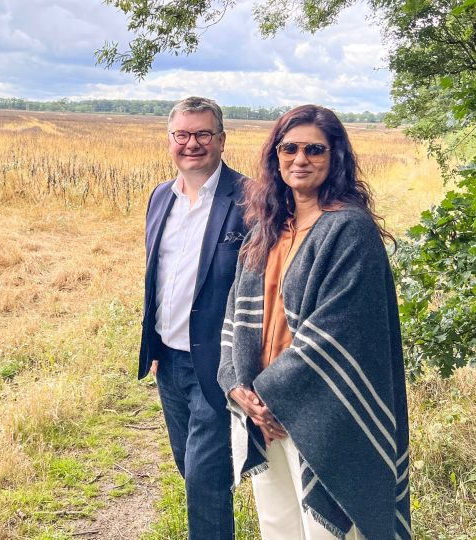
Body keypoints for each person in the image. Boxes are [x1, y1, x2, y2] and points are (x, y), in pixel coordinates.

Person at [217, 104, 410, 540]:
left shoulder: (348, 230)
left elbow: (341, 333)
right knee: (279, 528)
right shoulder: (267, 226)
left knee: (328, 534)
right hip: (263, 409)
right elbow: (235, 314)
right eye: (290, 148)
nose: (300, 159)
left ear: (334, 157)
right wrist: (238, 386)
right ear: (276, 155)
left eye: (314, 149)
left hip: (321, 409)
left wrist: (278, 400)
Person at [139, 96, 248, 540]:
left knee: (205, 478)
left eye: (203, 134)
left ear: (221, 140)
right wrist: (157, 347)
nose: (192, 144)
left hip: (218, 363)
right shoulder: (160, 196)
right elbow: (158, 277)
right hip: (169, 359)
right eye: (182, 135)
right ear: (170, 141)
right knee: (190, 465)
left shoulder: (250, 200)